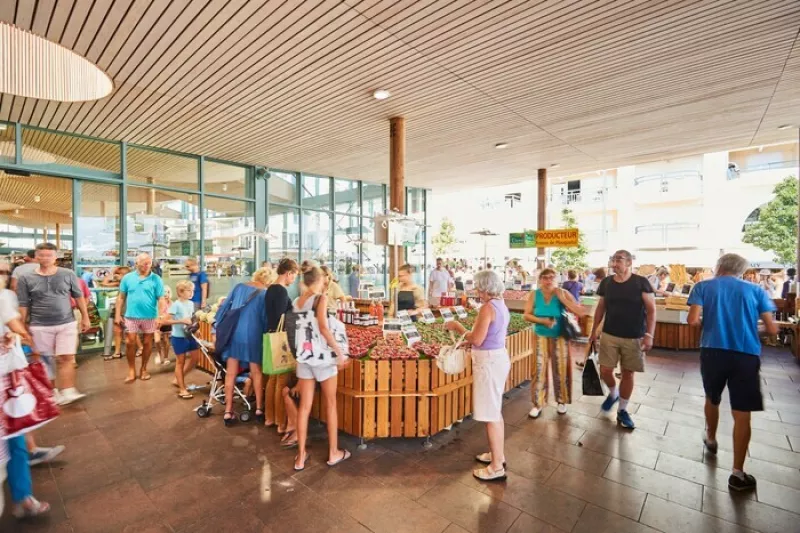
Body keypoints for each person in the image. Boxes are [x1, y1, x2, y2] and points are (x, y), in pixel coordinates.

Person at [687, 253, 777, 492]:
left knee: (712, 398)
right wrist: (749, 328)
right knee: (742, 412)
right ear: (742, 270)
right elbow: (771, 328)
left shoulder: (702, 286)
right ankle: (737, 473)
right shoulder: (756, 291)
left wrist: (713, 322)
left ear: (719, 267)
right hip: (745, 354)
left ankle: (711, 437)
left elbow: (693, 320)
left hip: (712, 351)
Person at [445, 270, 510, 481]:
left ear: (484, 288)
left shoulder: (487, 308)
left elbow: (478, 339)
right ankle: (497, 454)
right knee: (495, 411)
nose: (477, 291)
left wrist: (458, 327)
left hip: (488, 363)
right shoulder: (501, 304)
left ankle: (496, 467)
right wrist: (470, 339)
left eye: (478, 287)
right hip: (498, 358)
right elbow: (487, 336)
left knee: (491, 415)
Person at [0, 264, 51, 519]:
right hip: (6, 385)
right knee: (13, 440)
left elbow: (15, 329)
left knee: (16, 438)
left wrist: (14, 337)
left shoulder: (5, 297)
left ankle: (23, 497)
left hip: (8, 382)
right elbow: (16, 326)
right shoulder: (2, 299)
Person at [589, 250, 655, 430]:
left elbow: (651, 310)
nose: (615, 263)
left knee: (628, 373)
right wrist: (594, 329)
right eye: (613, 259)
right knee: (605, 370)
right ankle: (613, 392)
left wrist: (649, 334)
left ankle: (623, 410)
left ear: (629, 262)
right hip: (610, 334)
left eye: (619, 259)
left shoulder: (640, 282)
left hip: (634, 336)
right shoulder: (606, 283)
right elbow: (600, 308)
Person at [17, 243, 90, 405]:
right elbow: (23, 304)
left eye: (49, 255)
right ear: (36, 257)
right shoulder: (25, 278)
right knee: (45, 360)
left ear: (55, 257)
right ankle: (52, 392)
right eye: (41, 255)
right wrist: (22, 328)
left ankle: (68, 390)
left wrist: (85, 317)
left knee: (67, 356)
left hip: (67, 322)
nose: (45, 258)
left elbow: (79, 297)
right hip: (39, 324)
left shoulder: (68, 274)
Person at [292, 266, 350, 471]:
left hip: (304, 358)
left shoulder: (297, 301)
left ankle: (300, 457)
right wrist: (340, 353)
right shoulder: (320, 299)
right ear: (320, 280)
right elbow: (324, 328)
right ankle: (333, 453)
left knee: (304, 408)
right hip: (323, 358)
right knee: (331, 405)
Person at [525, 268, 586, 417]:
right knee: (539, 369)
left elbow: (580, 312)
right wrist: (542, 321)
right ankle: (538, 403)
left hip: (560, 336)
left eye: (552, 277)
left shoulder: (563, 293)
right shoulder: (534, 294)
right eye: (545, 278)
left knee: (561, 368)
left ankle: (561, 401)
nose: (548, 281)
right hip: (540, 335)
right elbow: (526, 315)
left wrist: (563, 298)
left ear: (557, 278)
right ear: (540, 280)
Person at [216, 269, 268, 426]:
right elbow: (265, 318)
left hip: (234, 334)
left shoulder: (239, 287)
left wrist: (216, 327)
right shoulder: (264, 293)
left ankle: (228, 411)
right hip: (253, 335)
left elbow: (224, 308)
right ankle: (259, 409)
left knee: (230, 374)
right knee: (256, 372)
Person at [115, 253, 165, 383]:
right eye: (144, 263)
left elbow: (161, 299)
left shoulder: (156, 279)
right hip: (131, 316)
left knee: (148, 342)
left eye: (149, 263)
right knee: (130, 342)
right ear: (137, 264)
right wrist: (117, 314)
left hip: (150, 316)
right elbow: (121, 297)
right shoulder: (127, 278)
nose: (147, 265)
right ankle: (131, 370)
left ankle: (143, 369)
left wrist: (161, 316)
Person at [264, 259, 300, 430]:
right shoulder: (280, 291)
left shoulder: (271, 288)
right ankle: (280, 421)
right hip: (281, 339)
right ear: (288, 273)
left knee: (272, 378)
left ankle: (269, 417)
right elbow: (282, 317)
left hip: (271, 335)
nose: (294, 279)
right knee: (281, 380)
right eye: (294, 276)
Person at [162, 281, 200, 399]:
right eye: (189, 290)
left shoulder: (191, 303)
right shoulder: (176, 305)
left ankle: (178, 378)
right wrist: (181, 321)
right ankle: (182, 389)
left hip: (190, 335)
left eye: (192, 290)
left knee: (195, 359)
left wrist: (195, 328)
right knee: (181, 362)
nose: (191, 293)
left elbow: (191, 318)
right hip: (178, 337)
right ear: (180, 292)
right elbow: (165, 321)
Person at [155, 286, 173, 366]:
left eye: (167, 292)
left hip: (166, 323)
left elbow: (171, 315)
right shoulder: (158, 302)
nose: (165, 294)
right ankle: (159, 354)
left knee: (166, 340)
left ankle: (166, 357)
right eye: (164, 292)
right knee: (157, 341)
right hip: (157, 323)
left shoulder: (171, 303)